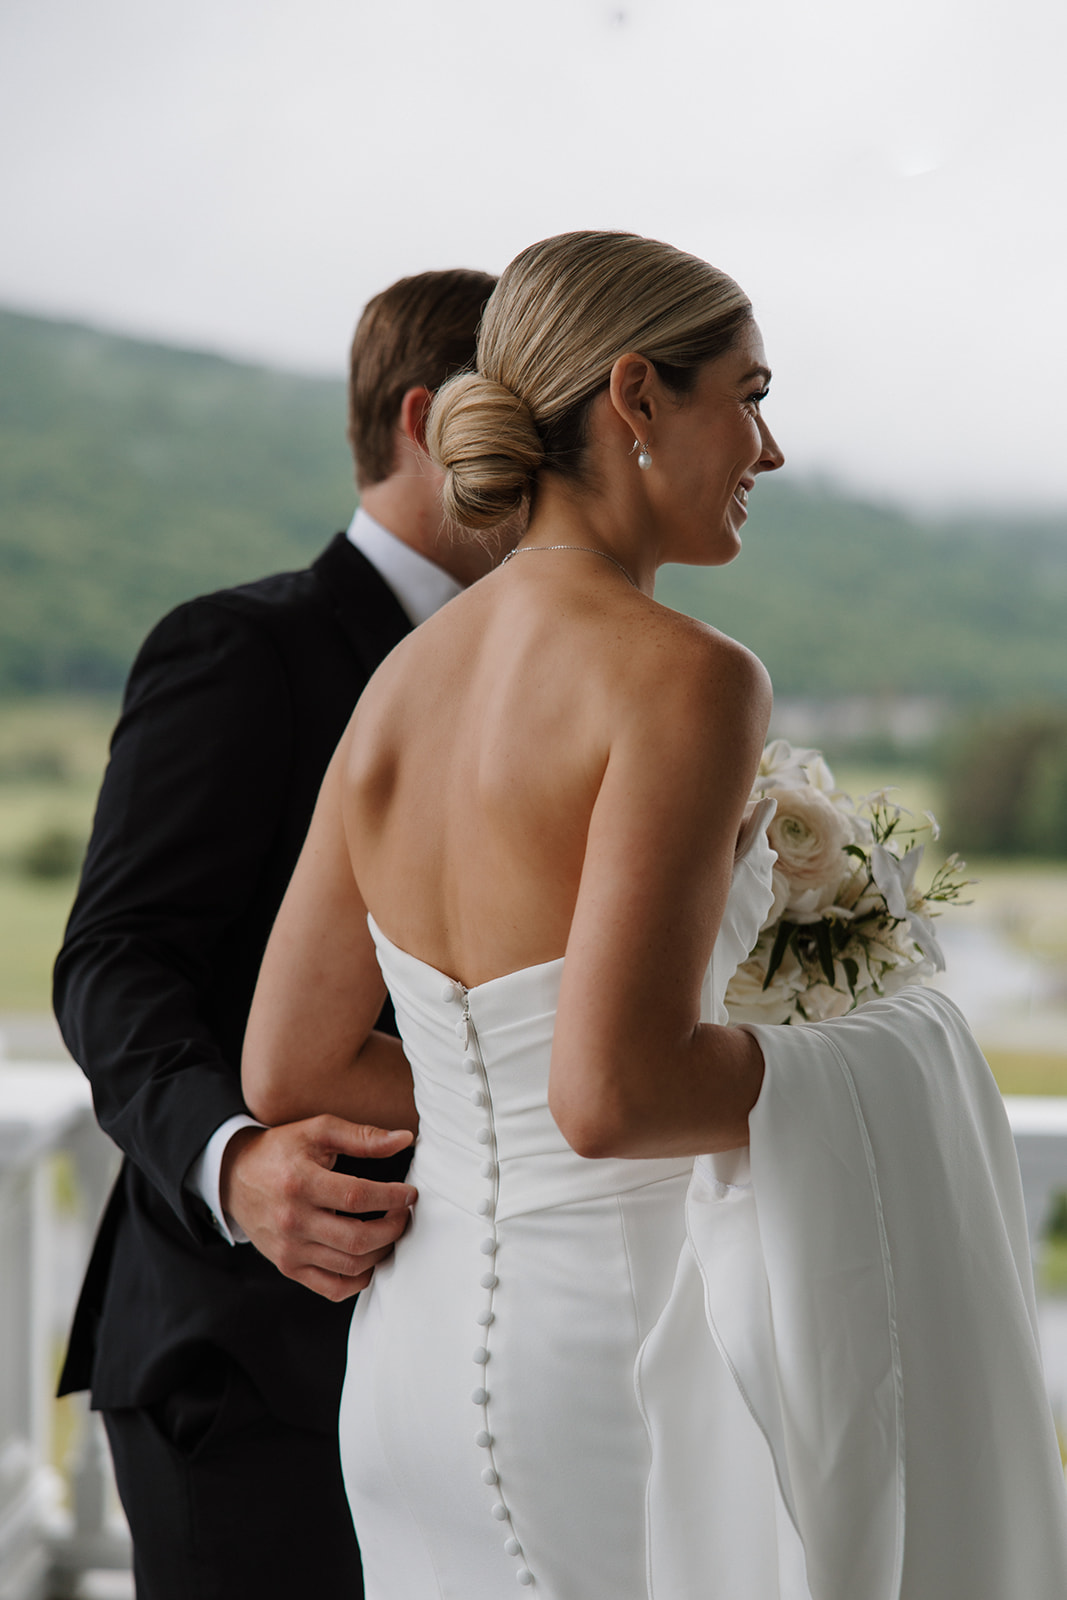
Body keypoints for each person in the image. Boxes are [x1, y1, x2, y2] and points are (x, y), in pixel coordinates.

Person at [242, 233, 1067, 1598]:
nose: (771, 447)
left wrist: (494, 1115)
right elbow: (615, 1096)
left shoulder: (399, 682)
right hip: (616, 1376)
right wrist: (898, 1043)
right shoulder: (686, 679)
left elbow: (289, 1061)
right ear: (635, 396)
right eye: (746, 394)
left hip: (410, 1373)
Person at [53, 266, 500, 1599]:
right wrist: (234, 1160)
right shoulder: (242, 649)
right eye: (521, 415)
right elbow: (115, 959)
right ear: (427, 420)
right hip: (243, 1363)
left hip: (469, 1355)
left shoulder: (551, 684)